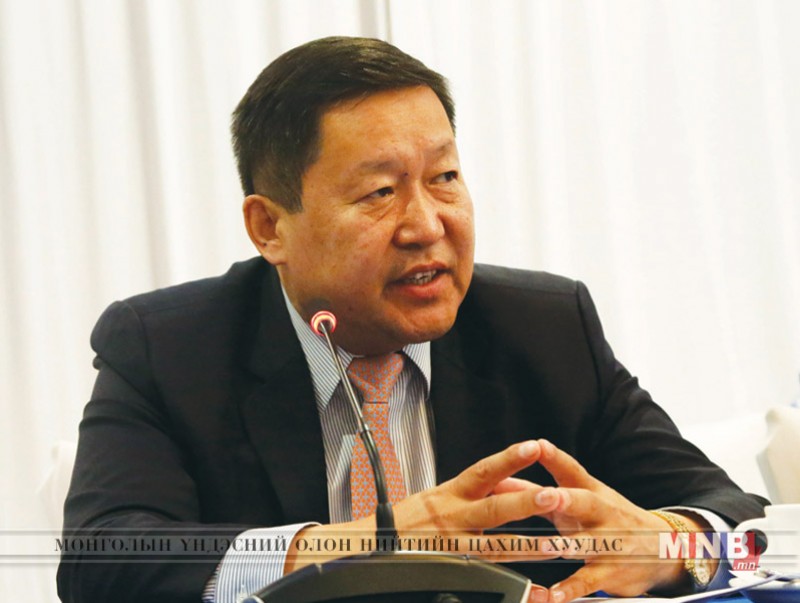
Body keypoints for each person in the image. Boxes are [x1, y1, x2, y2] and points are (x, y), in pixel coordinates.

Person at [57, 36, 767, 603]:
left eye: (444, 177)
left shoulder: (545, 328)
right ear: (270, 226)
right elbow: (102, 558)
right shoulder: (169, 347)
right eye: (379, 192)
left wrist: (672, 546)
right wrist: (364, 546)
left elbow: (740, 517)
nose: (427, 225)